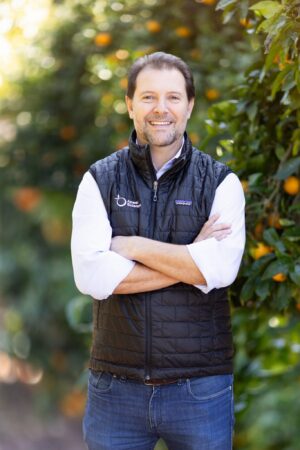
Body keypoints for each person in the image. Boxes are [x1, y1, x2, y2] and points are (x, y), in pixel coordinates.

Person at [71, 52, 245, 450]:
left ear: (190, 106)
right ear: (130, 103)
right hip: (115, 391)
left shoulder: (221, 183)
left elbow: (219, 271)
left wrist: (132, 247)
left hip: (201, 390)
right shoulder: (99, 180)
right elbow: (93, 278)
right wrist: (190, 258)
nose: (160, 109)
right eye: (148, 97)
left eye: (173, 97)